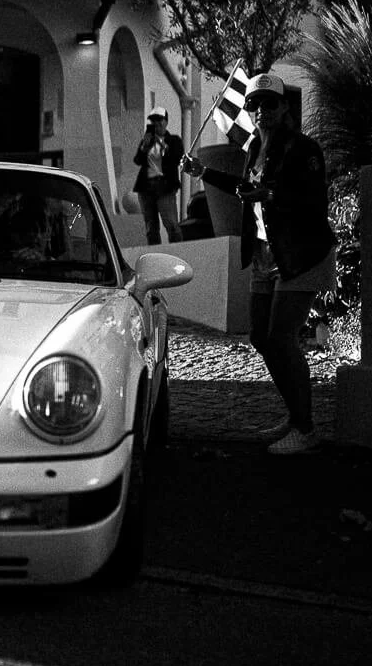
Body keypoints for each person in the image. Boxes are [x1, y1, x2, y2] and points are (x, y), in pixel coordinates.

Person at [181, 72, 336, 456]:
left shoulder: (303, 149)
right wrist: (204, 174)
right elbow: (245, 188)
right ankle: (295, 413)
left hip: (300, 254)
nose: (261, 110)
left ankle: (305, 426)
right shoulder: (254, 149)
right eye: (255, 104)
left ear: (284, 107)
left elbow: (315, 204)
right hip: (267, 253)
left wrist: (272, 194)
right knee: (261, 338)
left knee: (282, 338)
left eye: (270, 102)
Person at [133, 106, 184, 244]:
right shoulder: (147, 141)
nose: (157, 123)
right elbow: (137, 160)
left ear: (166, 121)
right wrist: (144, 146)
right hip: (146, 188)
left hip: (165, 188)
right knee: (151, 228)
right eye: (154, 120)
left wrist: (162, 144)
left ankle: (178, 252)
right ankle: (155, 255)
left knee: (171, 223)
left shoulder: (174, 140)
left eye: (159, 120)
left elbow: (177, 158)